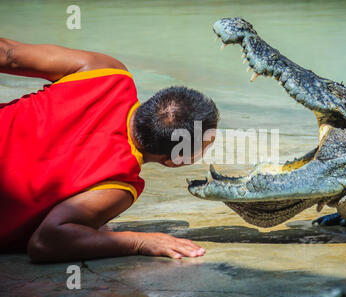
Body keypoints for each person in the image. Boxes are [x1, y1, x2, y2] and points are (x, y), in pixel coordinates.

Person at [0, 38, 219, 263]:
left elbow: (8, 54)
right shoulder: (119, 185)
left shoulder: (106, 72)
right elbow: (45, 242)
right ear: (173, 161)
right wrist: (139, 241)